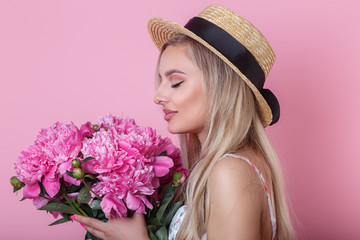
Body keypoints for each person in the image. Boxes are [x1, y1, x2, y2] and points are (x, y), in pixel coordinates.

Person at [74, 4, 294, 240]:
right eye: (160, 80)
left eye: (176, 82)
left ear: (221, 89)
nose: (158, 96)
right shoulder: (229, 166)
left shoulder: (229, 172)